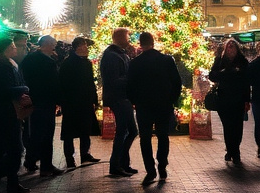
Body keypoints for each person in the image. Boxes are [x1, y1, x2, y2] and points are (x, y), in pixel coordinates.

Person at [126, 32, 182, 184]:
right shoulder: (166, 60)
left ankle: (150, 170)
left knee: (145, 138)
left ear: (140, 44)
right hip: (163, 104)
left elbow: (129, 86)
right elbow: (177, 82)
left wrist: (135, 101)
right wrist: (171, 99)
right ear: (153, 42)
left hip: (144, 106)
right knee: (163, 135)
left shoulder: (135, 63)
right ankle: (162, 165)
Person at [0, 37, 31, 193]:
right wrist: (24, 89)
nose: (16, 49)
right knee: (13, 148)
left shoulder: (9, 64)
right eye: (14, 46)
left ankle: (9, 180)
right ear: (8, 48)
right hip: (3, 113)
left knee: (6, 148)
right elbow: (2, 90)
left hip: (7, 111)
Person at [19, 35, 64, 176]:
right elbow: (54, 83)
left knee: (35, 133)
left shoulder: (30, 58)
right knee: (46, 134)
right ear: (47, 45)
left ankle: (31, 160)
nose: (54, 47)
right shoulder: (48, 62)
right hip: (45, 101)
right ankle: (46, 165)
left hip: (33, 100)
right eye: (53, 45)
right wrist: (59, 100)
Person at [57, 36, 101, 169]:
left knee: (85, 129)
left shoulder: (86, 62)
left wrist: (94, 99)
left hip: (85, 102)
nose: (87, 48)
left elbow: (90, 83)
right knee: (69, 132)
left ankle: (85, 154)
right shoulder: (68, 63)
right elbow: (62, 84)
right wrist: (63, 102)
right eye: (85, 46)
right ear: (79, 47)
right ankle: (69, 158)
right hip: (71, 103)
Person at [101, 27, 138, 176]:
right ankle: (116, 165)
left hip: (123, 97)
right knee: (124, 131)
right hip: (118, 98)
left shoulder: (119, 54)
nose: (129, 40)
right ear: (121, 38)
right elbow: (113, 80)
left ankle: (122, 163)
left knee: (130, 131)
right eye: (127, 37)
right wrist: (131, 78)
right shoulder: (112, 56)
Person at [209, 39, 250, 165]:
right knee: (227, 126)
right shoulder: (220, 60)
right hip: (224, 99)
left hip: (238, 99)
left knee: (237, 126)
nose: (230, 49)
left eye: (232, 47)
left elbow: (246, 82)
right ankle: (231, 150)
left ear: (237, 49)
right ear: (225, 49)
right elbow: (212, 76)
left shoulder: (242, 62)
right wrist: (224, 73)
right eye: (228, 47)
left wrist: (247, 100)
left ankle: (235, 151)